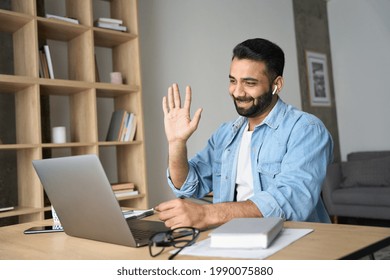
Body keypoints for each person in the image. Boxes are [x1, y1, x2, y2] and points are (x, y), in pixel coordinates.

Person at [155, 38, 333, 230]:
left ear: (277, 84)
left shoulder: (306, 129)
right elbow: (188, 185)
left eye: (249, 83)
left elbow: (291, 200)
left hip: (294, 243)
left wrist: (206, 214)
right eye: (233, 81)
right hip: (232, 238)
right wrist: (176, 144)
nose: (238, 92)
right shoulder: (225, 134)